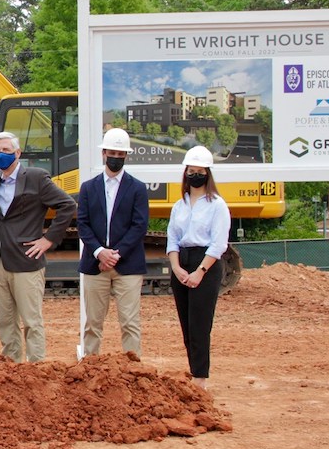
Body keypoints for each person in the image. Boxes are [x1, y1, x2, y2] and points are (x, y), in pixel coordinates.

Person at [0, 131, 76, 363]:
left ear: (18, 153)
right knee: (5, 321)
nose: (1, 154)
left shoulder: (36, 177)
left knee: (31, 321)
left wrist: (48, 240)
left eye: (6, 150)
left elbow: (67, 205)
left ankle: (36, 368)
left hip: (27, 261)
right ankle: (11, 365)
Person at [77, 128, 150, 357]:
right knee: (92, 324)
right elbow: (83, 224)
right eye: (112, 152)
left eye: (120, 154)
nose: (116, 158)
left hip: (127, 266)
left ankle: (134, 373)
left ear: (126, 155)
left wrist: (115, 255)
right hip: (94, 265)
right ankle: (89, 369)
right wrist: (99, 252)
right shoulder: (88, 188)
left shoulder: (137, 188)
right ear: (104, 153)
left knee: (130, 323)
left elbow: (139, 225)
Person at [166, 145, 231, 389]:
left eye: (199, 171)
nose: (195, 175)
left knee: (200, 324)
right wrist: (176, 267)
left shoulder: (217, 205)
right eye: (191, 171)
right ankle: (194, 370)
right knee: (187, 324)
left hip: (205, 265)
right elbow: (172, 238)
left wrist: (200, 272)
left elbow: (218, 243)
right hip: (181, 262)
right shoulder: (179, 205)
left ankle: (200, 378)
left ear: (208, 173)